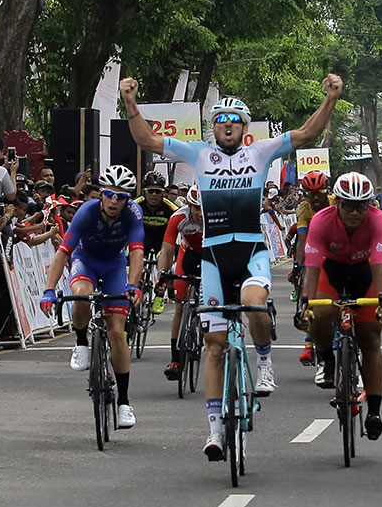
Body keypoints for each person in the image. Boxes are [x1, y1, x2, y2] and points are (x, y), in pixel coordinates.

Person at [122, 73, 341, 460]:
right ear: (214, 127)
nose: (227, 125)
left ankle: (264, 361)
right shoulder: (198, 154)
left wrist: (331, 99)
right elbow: (147, 140)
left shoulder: (260, 153)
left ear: (244, 127)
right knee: (214, 346)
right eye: (221, 120)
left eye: (234, 120)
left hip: (251, 249)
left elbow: (306, 134)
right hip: (213, 256)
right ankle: (215, 430)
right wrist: (130, 102)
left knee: (253, 300)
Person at [39, 165, 144, 430]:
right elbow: (63, 252)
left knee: (117, 332)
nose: (114, 201)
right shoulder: (86, 212)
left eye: (121, 197)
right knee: (82, 295)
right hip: (85, 260)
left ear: (128, 199)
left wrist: (133, 285)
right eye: (109, 194)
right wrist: (49, 290)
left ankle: (124, 402)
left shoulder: (133, 214)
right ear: (101, 194)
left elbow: (136, 253)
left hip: (115, 266)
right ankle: (82, 341)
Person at [299, 172, 382, 439]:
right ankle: (327, 357)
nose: (355, 211)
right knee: (319, 313)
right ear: (337, 203)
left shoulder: (378, 220)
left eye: (361, 205)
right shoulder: (321, 220)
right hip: (332, 270)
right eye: (348, 205)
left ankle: (374, 411)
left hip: (365, 273)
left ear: (370, 205)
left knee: (370, 337)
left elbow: (379, 268)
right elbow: (313, 269)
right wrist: (305, 304)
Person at [157, 186, 204, 380]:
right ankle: (175, 359)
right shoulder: (178, 217)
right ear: (189, 206)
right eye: (196, 209)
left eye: (204, 209)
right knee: (179, 305)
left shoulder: (216, 218)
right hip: (189, 255)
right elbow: (167, 249)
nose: (200, 214)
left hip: (210, 256)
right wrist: (162, 275)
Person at [291, 169, 332, 366]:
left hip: (335, 249)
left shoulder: (336, 203)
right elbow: (302, 240)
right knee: (307, 297)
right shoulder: (304, 209)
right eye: (310, 194)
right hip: (314, 251)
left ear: (327, 191)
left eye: (319, 193)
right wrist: (300, 265)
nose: (315, 198)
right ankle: (308, 345)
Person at [134, 170, 177, 308]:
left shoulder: (171, 208)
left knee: (167, 258)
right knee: (133, 258)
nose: (153, 195)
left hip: (162, 239)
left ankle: (159, 292)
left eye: (157, 192)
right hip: (142, 237)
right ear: (144, 191)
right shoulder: (136, 205)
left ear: (163, 193)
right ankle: (136, 284)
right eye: (150, 191)